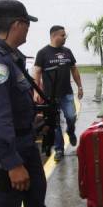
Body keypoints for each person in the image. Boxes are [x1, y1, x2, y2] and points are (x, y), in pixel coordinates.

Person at [0, 0, 47, 207]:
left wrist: (31, 117)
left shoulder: (12, 57)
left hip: (25, 143)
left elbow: (13, 103)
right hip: (8, 152)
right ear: (17, 24)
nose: (28, 29)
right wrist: (13, 164)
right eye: (27, 24)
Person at [33, 25, 83, 162]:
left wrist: (80, 86)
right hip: (50, 96)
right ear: (54, 36)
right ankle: (59, 149)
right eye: (63, 35)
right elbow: (37, 72)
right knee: (55, 124)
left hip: (67, 93)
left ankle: (71, 131)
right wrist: (36, 91)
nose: (65, 37)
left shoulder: (67, 51)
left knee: (71, 116)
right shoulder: (42, 53)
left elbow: (74, 70)